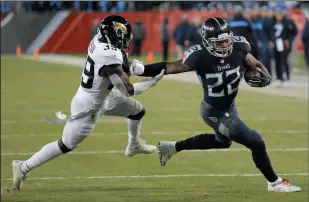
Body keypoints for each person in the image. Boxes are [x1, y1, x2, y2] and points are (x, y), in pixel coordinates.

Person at [130, 17, 301, 192]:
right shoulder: (199, 56)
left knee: (223, 142)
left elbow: (254, 63)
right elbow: (170, 66)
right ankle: (274, 182)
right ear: (207, 41)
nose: (225, 45)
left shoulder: (240, 46)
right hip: (213, 111)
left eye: (227, 40)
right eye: (219, 42)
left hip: (229, 107)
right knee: (255, 141)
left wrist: (266, 76)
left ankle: (172, 147)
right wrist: (142, 70)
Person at [11, 15, 165, 191]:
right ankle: (22, 167)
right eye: (123, 37)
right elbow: (128, 90)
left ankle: (134, 144)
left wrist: (129, 67)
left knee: (137, 111)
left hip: (102, 95)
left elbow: (114, 66)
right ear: (113, 35)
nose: (125, 42)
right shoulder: (109, 54)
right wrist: (152, 81)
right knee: (65, 145)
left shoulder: (99, 40)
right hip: (89, 107)